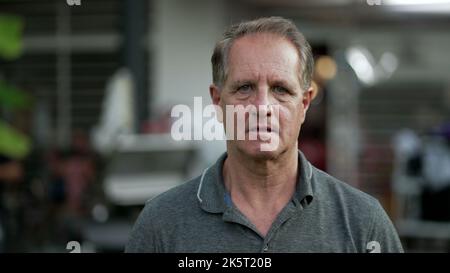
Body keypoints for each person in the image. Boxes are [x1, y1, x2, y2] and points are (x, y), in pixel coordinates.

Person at [126, 16, 403, 253]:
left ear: (304, 104)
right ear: (218, 101)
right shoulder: (160, 225)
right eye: (244, 88)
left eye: (281, 90)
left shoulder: (363, 223)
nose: (262, 107)